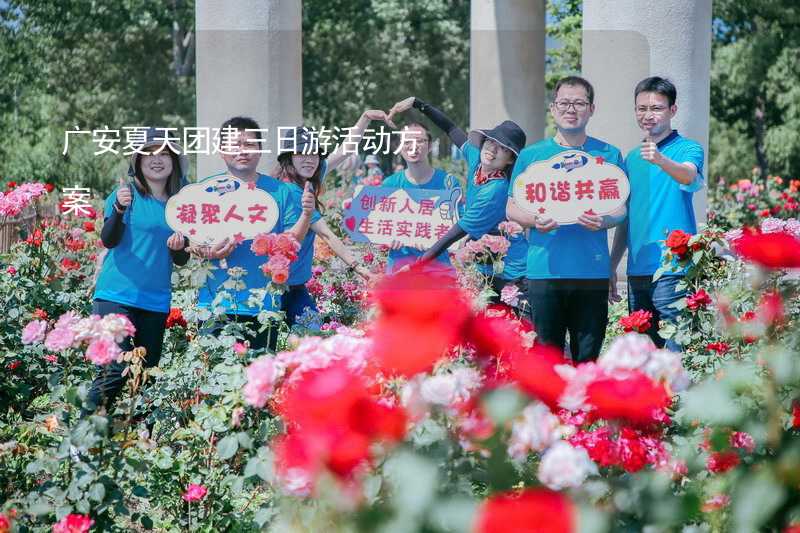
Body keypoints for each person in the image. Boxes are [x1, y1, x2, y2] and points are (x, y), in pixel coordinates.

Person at [506, 76, 627, 362]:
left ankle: (585, 409)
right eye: (564, 103)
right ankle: (550, 409)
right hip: (544, 271)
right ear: (553, 108)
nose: (571, 109)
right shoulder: (532, 156)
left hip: (591, 272)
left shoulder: (609, 155)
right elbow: (511, 207)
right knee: (547, 359)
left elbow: (621, 209)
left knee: (588, 359)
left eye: (579, 103)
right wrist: (534, 220)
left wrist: (604, 220)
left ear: (592, 109)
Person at [85, 128, 190, 412]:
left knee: (146, 378)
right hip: (116, 295)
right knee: (113, 372)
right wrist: (119, 209)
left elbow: (181, 260)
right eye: (150, 154)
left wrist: (178, 246)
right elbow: (109, 239)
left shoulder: (182, 203)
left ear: (175, 161)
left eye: (165, 153)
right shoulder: (125, 194)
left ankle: (139, 444)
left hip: (155, 301)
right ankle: (80, 442)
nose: (158, 160)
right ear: (138, 161)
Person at [387, 96, 528, 302]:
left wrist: (417, 264)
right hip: (485, 265)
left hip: (511, 271)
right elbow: (451, 128)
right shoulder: (476, 160)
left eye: (503, 149)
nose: (493, 150)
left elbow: (455, 233)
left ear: (510, 159)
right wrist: (418, 104)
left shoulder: (496, 190)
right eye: (491, 142)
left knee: (518, 330)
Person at [195, 116, 315, 351]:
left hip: (264, 306)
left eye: (249, 144)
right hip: (215, 304)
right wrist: (205, 250)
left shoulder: (282, 192)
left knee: (259, 380)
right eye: (234, 144)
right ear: (221, 150)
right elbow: (191, 241)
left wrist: (307, 215)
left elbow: (292, 242)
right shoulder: (206, 189)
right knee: (214, 380)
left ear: (260, 150)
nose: (242, 151)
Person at [610, 77, 704, 352]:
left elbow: (689, 175)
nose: (647, 115)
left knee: (678, 355)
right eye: (641, 108)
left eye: (656, 108)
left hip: (673, 270)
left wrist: (661, 159)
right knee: (644, 358)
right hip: (638, 269)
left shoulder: (688, 148)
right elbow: (626, 217)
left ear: (672, 111)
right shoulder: (631, 158)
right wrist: (612, 264)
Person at [275, 125, 374, 328]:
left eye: (314, 153)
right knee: (308, 338)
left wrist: (365, 119)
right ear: (289, 158)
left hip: (294, 286)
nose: (309, 159)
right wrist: (359, 268)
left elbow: (345, 150)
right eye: (301, 153)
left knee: (309, 339)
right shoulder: (292, 191)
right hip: (276, 288)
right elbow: (327, 234)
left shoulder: (308, 179)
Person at [378, 119, 461, 274]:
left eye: (420, 141)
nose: (413, 146)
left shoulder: (448, 182)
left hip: (438, 272)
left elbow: (459, 227)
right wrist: (387, 238)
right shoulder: (390, 184)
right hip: (398, 271)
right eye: (407, 141)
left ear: (429, 146)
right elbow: (378, 228)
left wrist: (434, 242)